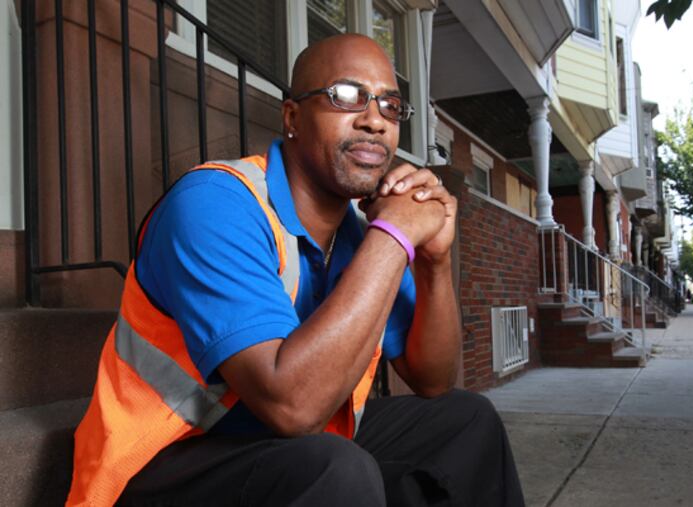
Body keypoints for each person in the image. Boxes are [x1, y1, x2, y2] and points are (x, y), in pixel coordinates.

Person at [66, 33, 524, 506]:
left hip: (285, 446)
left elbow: (433, 379)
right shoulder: (215, 203)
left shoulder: (358, 233)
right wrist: (395, 237)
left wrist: (433, 259)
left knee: (466, 420)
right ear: (292, 118)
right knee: (336, 468)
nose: (374, 121)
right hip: (160, 465)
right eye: (346, 96)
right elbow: (292, 407)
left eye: (390, 105)